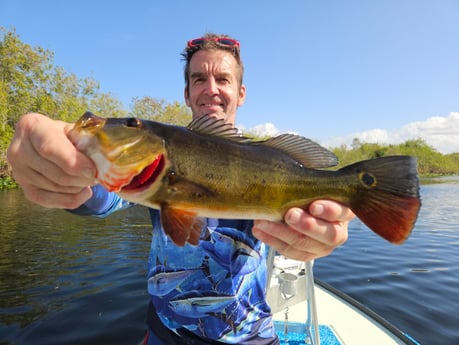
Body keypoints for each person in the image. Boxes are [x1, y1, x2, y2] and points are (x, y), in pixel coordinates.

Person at [7, 33, 353, 344]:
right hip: (164, 334)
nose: (211, 88)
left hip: (250, 338)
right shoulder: (151, 167)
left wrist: (321, 235)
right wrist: (64, 174)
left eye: (223, 79)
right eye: (199, 79)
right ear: (187, 93)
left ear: (241, 93)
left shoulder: (269, 159)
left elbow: (307, 231)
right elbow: (98, 198)